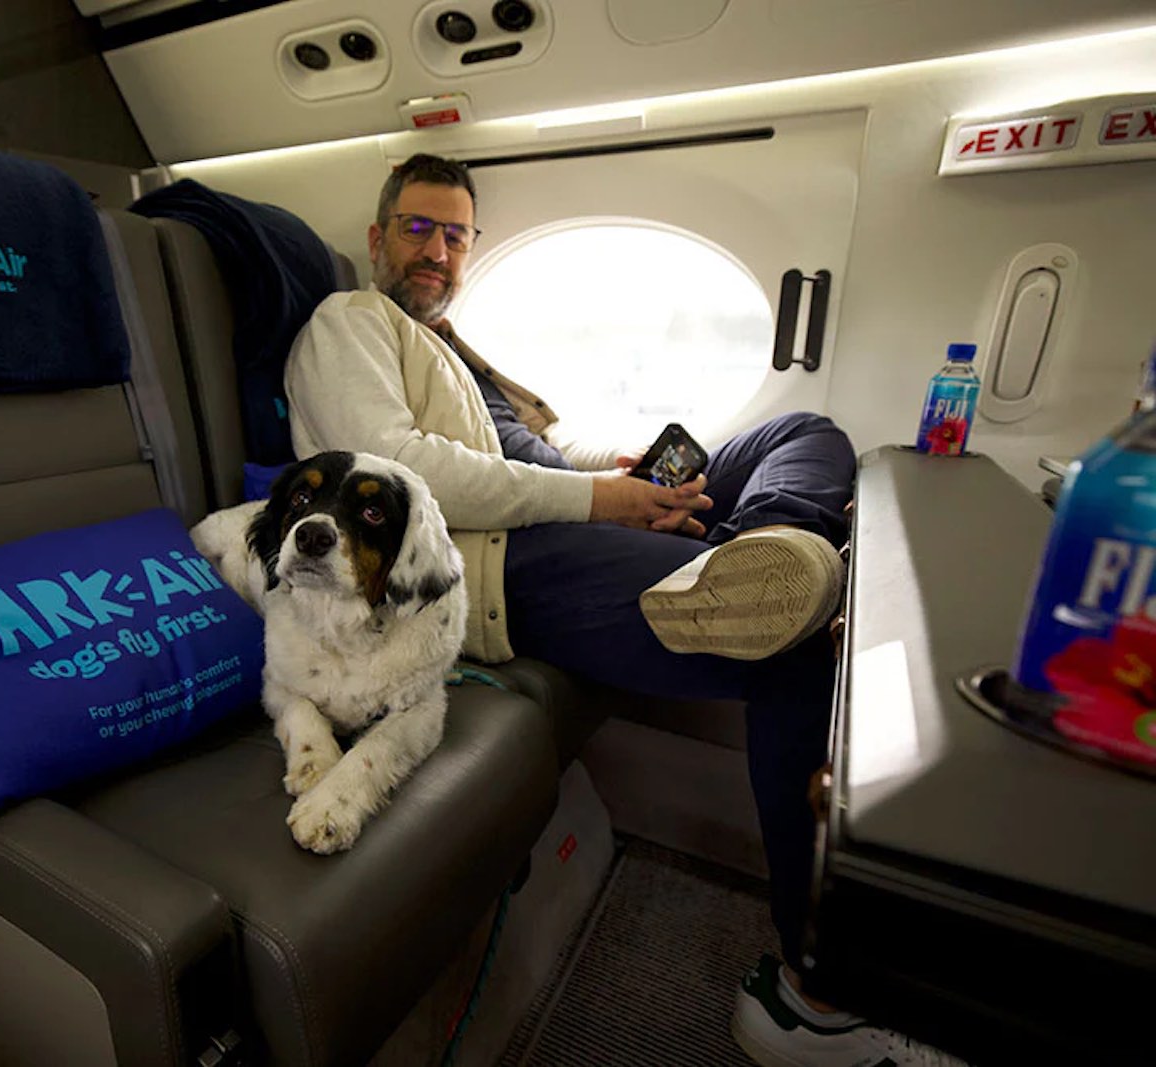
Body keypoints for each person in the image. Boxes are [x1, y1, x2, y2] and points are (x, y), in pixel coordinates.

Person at [283, 153, 967, 1067]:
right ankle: (815, 995)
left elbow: (544, 452)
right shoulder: (350, 321)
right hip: (487, 560)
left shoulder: (460, 349)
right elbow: (399, 472)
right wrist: (603, 504)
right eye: (418, 228)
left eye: (456, 235)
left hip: (552, 510)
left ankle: (759, 554)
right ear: (377, 238)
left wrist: (634, 471)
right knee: (798, 655)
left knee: (801, 428)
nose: (438, 251)